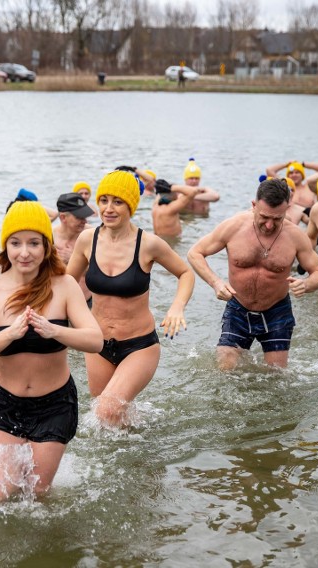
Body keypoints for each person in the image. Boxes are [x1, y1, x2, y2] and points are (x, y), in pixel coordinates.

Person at [0, 200, 103, 501]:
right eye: (16, 243)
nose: (25, 252)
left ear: (46, 246)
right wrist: (9, 335)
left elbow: (95, 340)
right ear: (6, 247)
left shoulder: (64, 286)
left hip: (54, 405)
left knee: (35, 496)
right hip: (3, 404)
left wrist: (55, 331)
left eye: (34, 243)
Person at [67, 169, 195, 428]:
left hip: (139, 345)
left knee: (107, 410)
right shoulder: (86, 240)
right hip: (97, 344)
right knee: (107, 421)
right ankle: (141, 449)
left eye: (118, 202)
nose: (109, 208)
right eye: (104, 200)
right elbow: (66, 284)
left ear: (131, 206)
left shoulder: (148, 244)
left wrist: (177, 307)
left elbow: (185, 273)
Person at [187, 178, 318, 369]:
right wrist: (216, 283)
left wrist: (307, 284)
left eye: (277, 219)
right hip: (238, 307)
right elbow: (195, 253)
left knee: (276, 377)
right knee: (225, 370)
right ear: (254, 205)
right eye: (264, 217)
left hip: (277, 311)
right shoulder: (234, 227)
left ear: (287, 209)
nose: (269, 225)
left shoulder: (295, 236)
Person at [53, 192, 95, 304]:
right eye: (79, 217)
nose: (84, 221)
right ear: (63, 217)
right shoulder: (50, 238)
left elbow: (105, 274)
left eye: (85, 216)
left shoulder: (92, 235)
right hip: (60, 301)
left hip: (88, 301)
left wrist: (75, 259)